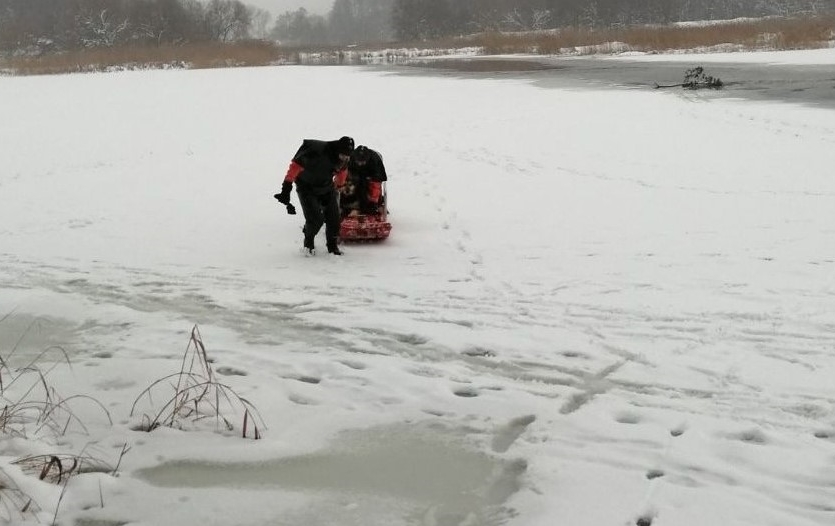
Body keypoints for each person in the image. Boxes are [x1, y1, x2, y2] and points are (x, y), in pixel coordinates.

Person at [274, 136, 353, 256]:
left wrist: (339, 186)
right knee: (316, 220)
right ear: (337, 150)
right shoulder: (316, 151)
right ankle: (308, 242)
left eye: (347, 156)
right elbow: (295, 166)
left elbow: (342, 172)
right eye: (343, 155)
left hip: (326, 187)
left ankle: (332, 246)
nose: (345, 159)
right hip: (306, 188)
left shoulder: (344, 160)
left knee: (334, 219)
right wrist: (286, 187)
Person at [340, 145, 388, 217]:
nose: (360, 164)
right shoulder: (349, 159)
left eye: (362, 162)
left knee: (370, 189)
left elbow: (376, 184)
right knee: (350, 184)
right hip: (354, 172)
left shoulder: (375, 161)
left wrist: (373, 201)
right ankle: (348, 206)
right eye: (358, 162)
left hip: (370, 173)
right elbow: (341, 177)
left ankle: (375, 204)